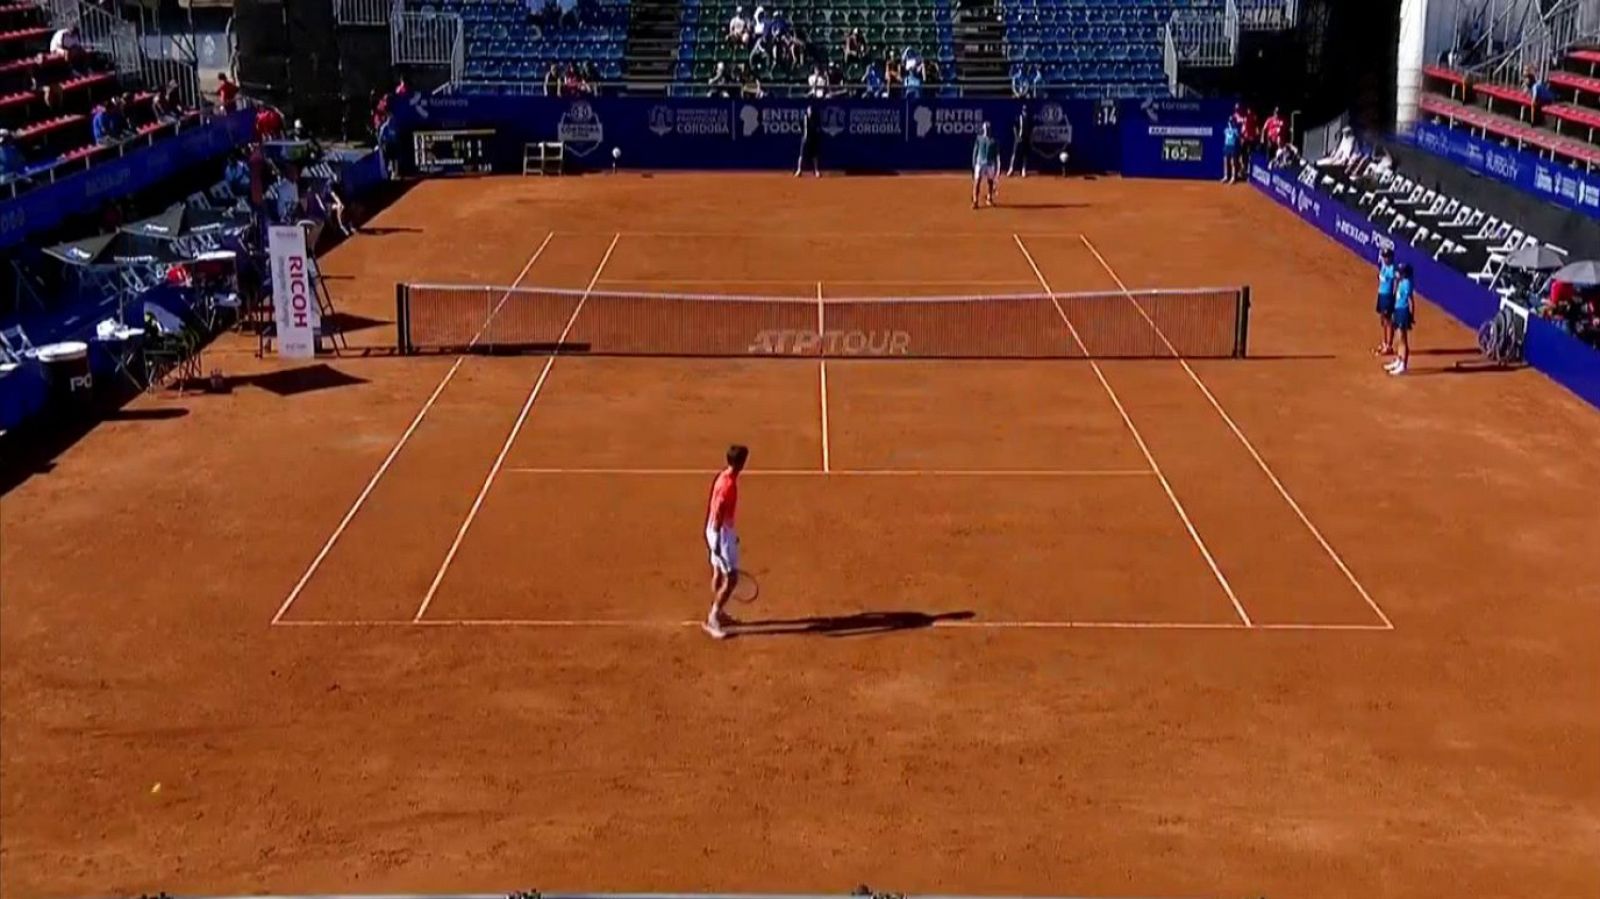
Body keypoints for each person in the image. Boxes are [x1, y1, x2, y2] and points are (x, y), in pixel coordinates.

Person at [704, 444, 749, 639]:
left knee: (718, 574)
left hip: (716, 530)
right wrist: (720, 538)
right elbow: (719, 508)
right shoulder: (728, 485)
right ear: (741, 463)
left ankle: (717, 611)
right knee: (732, 579)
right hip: (720, 533)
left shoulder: (723, 476)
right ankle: (713, 618)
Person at [1387, 264, 1416, 375]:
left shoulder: (1407, 284)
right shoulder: (1401, 282)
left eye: (1399, 272)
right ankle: (1399, 360)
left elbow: (1411, 301)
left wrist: (1411, 315)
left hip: (1403, 312)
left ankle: (1403, 364)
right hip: (1398, 310)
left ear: (1404, 274)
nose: (1397, 273)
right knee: (1399, 339)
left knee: (1403, 339)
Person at [1374, 246, 1398, 356]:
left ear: (1391, 257)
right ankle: (1384, 343)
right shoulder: (1384, 266)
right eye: (1384, 256)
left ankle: (1389, 346)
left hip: (1388, 296)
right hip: (1381, 294)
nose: (1385, 259)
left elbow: (1395, 283)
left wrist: (1393, 296)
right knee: (1382, 319)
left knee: (1388, 321)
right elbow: (1380, 277)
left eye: (1387, 257)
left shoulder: (1393, 269)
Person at [972, 120, 999, 209]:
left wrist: (996, 166)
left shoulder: (994, 141)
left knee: (990, 182)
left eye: (988, 128)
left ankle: (989, 198)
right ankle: (975, 201)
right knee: (977, 181)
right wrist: (974, 162)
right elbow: (975, 151)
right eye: (985, 128)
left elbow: (996, 155)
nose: (987, 130)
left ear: (990, 130)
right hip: (979, 163)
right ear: (983, 129)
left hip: (990, 164)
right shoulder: (979, 139)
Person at [1007, 104, 1032, 177]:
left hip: (1026, 139)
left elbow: (1032, 129)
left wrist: (1030, 138)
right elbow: (1014, 127)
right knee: (1014, 154)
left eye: (1026, 110)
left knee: (1025, 155)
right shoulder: (1018, 117)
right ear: (1022, 110)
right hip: (1018, 139)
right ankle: (1011, 169)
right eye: (1024, 110)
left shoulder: (1030, 119)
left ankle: (1023, 169)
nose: (1025, 111)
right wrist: (1017, 137)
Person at [796, 103, 820, 177]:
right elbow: (799, 126)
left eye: (811, 111)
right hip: (804, 139)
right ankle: (799, 170)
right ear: (807, 111)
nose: (810, 112)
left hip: (813, 139)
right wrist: (803, 133)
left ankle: (816, 171)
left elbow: (817, 128)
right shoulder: (803, 118)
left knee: (814, 155)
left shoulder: (815, 119)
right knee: (801, 155)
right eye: (809, 110)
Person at [1221, 114, 1242, 183]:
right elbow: (1225, 135)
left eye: (1232, 121)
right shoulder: (1226, 129)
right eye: (1230, 121)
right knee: (1226, 162)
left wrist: (1234, 131)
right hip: (1226, 146)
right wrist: (1230, 129)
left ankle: (1233, 177)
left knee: (1233, 163)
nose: (1230, 123)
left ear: (1234, 122)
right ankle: (1226, 176)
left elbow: (1238, 137)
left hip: (1233, 147)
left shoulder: (1236, 130)